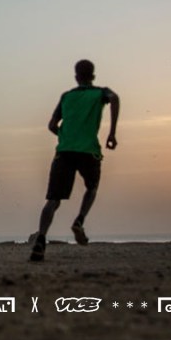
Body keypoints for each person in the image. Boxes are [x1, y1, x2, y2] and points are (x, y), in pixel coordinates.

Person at [30, 59, 120, 262]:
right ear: (93, 76)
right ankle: (79, 220)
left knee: (53, 200)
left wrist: (64, 135)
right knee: (91, 188)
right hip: (88, 151)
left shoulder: (67, 96)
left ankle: (41, 238)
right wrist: (112, 133)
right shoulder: (100, 93)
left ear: (76, 76)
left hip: (65, 151)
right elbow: (115, 99)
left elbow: (52, 125)